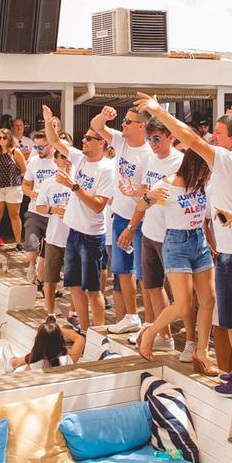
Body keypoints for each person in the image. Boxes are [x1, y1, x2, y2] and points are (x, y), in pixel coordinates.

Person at [137, 98, 232, 398]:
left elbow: (190, 139)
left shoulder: (225, 163)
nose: (213, 137)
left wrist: (159, 111)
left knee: (228, 317)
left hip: (230, 251)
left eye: (218, 133)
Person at [129, 149, 218, 374]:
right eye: (203, 168)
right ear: (191, 165)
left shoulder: (201, 183)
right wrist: (149, 195)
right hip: (176, 243)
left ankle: (202, 351)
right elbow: (141, 207)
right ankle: (150, 332)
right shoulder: (167, 185)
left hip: (199, 240)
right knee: (183, 304)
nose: (205, 173)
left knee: (209, 299)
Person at [41, 105, 116, 333]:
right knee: (74, 286)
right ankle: (84, 331)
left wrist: (74, 186)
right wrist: (48, 121)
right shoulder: (80, 158)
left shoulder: (106, 169)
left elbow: (98, 205)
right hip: (73, 232)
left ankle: (99, 334)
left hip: (91, 235)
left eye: (89, 138)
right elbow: (54, 140)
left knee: (93, 290)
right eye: (83, 137)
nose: (83, 140)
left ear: (101, 143)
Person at [128, 117, 186, 360]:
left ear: (171, 137)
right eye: (149, 139)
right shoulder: (148, 158)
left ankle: (191, 343)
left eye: (157, 139)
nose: (152, 143)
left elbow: (183, 197)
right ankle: (165, 336)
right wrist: (133, 223)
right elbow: (146, 192)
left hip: (172, 233)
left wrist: (152, 197)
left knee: (183, 297)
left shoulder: (181, 162)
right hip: (149, 231)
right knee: (152, 285)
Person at [93, 105, 153, 335]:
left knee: (144, 275)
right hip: (119, 216)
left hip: (141, 222)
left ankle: (150, 324)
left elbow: (148, 191)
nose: (123, 124)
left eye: (128, 121)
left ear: (141, 126)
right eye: (124, 120)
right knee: (122, 271)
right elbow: (96, 126)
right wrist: (104, 116)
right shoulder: (121, 141)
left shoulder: (148, 154)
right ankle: (131, 317)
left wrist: (133, 192)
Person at [34, 140, 74, 319]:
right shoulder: (48, 183)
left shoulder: (78, 181)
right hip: (54, 238)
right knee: (49, 279)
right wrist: (52, 209)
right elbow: (39, 206)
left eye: (70, 157)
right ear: (56, 161)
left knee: (75, 281)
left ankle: (73, 312)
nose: (67, 160)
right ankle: (50, 313)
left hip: (74, 237)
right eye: (63, 157)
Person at [21, 130, 59, 283]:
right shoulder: (34, 161)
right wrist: (30, 193)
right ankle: (32, 264)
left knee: (47, 251)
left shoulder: (59, 162)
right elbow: (24, 185)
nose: (38, 150)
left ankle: (41, 279)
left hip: (54, 214)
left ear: (51, 145)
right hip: (35, 211)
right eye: (35, 147)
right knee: (31, 252)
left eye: (41, 147)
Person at [0, 128, 27, 249]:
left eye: (4, 137)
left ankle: (18, 242)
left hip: (13, 186)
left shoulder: (16, 152)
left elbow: (23, 169)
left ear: (9, 139)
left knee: (14, 215)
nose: (1, 140)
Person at [7, 320, 86, 371]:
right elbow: (80, 339)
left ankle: (14, 362)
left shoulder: (32, 368)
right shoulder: (68, 361)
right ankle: (14, 362)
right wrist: (57, 329)